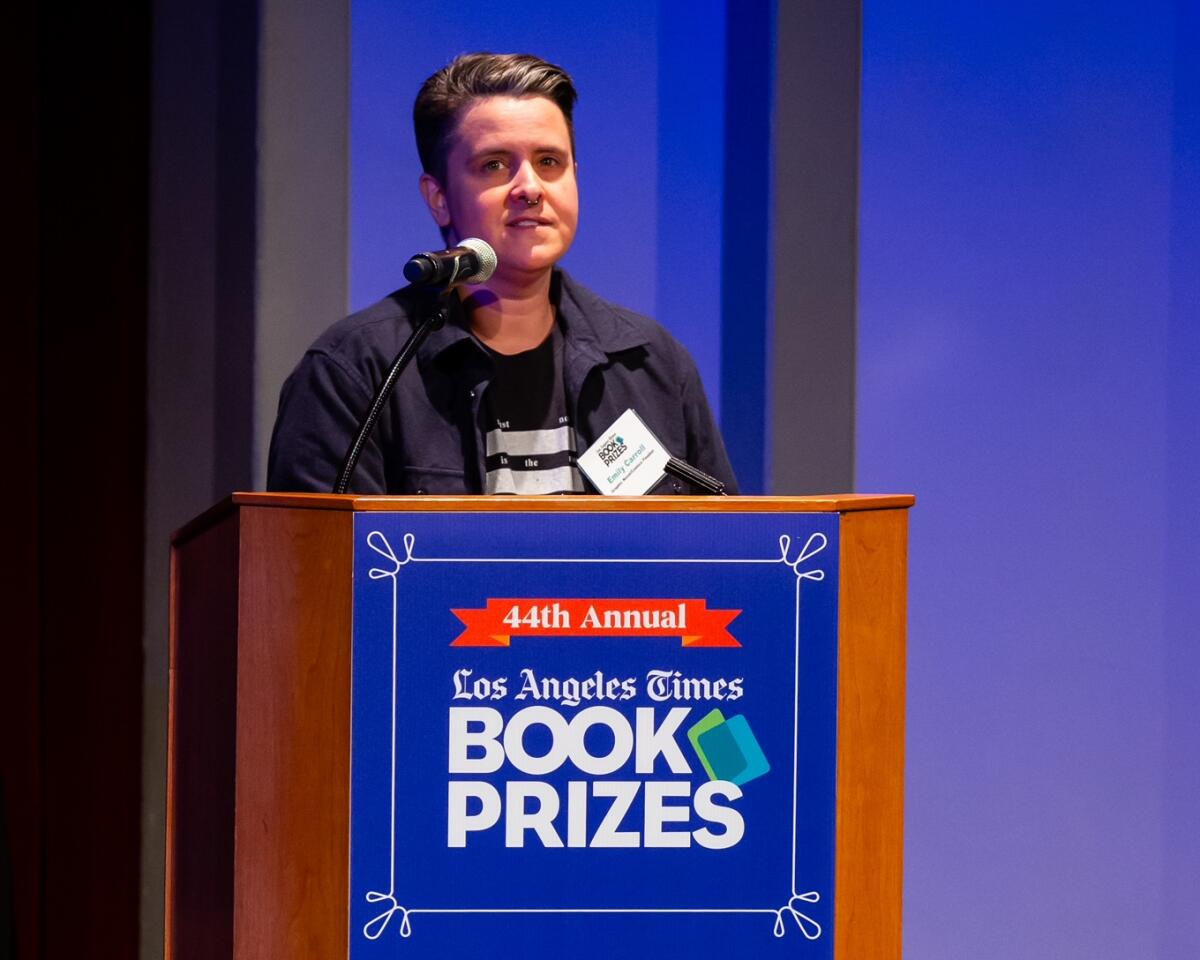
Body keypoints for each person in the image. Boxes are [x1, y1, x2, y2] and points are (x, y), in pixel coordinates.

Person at [267, 52, 736, 495]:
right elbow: (317, 569)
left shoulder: (651, 364)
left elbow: (726, 557)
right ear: (439, 197)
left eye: (549, 162)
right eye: (494, 165)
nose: (529, 188)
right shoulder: (356, 373)